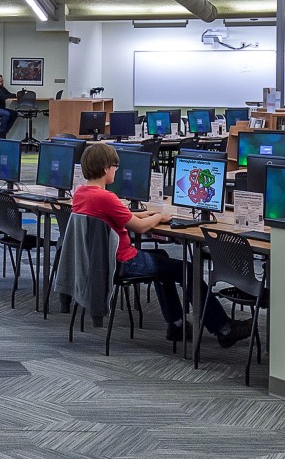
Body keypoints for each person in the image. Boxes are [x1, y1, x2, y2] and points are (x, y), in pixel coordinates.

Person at [69, 142, 240, 347]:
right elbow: (140, 228)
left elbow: (118, 217)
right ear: (106, 168)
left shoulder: (81, 193)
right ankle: (224, 328)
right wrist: (159, 216)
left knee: (163, 262)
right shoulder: (106, 197)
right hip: (123, 261)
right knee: (187, 270)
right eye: (115, 166)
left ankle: (176, 324)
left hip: (99, 261)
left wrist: (144, 214)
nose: (116, 170)